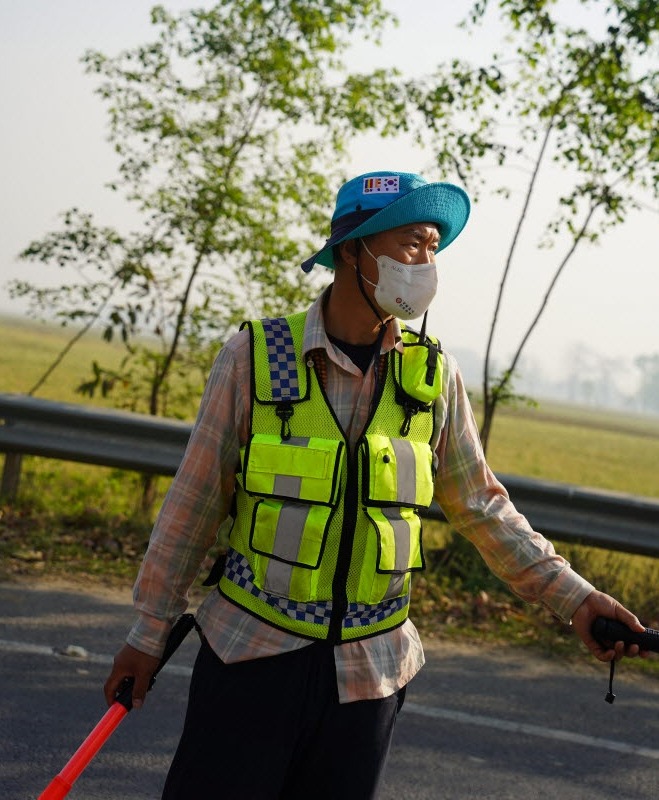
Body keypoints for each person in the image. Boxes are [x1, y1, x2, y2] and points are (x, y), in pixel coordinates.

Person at [105, 170, 646, 799]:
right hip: (250, 660)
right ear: (353, 249)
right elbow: (192, 506)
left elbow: (482, 507)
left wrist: (576, 600)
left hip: (370, 679)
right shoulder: (256, 357)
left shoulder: (432, 376)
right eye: (412, 243)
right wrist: (147, 635)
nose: (427, 262)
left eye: (434, 247)